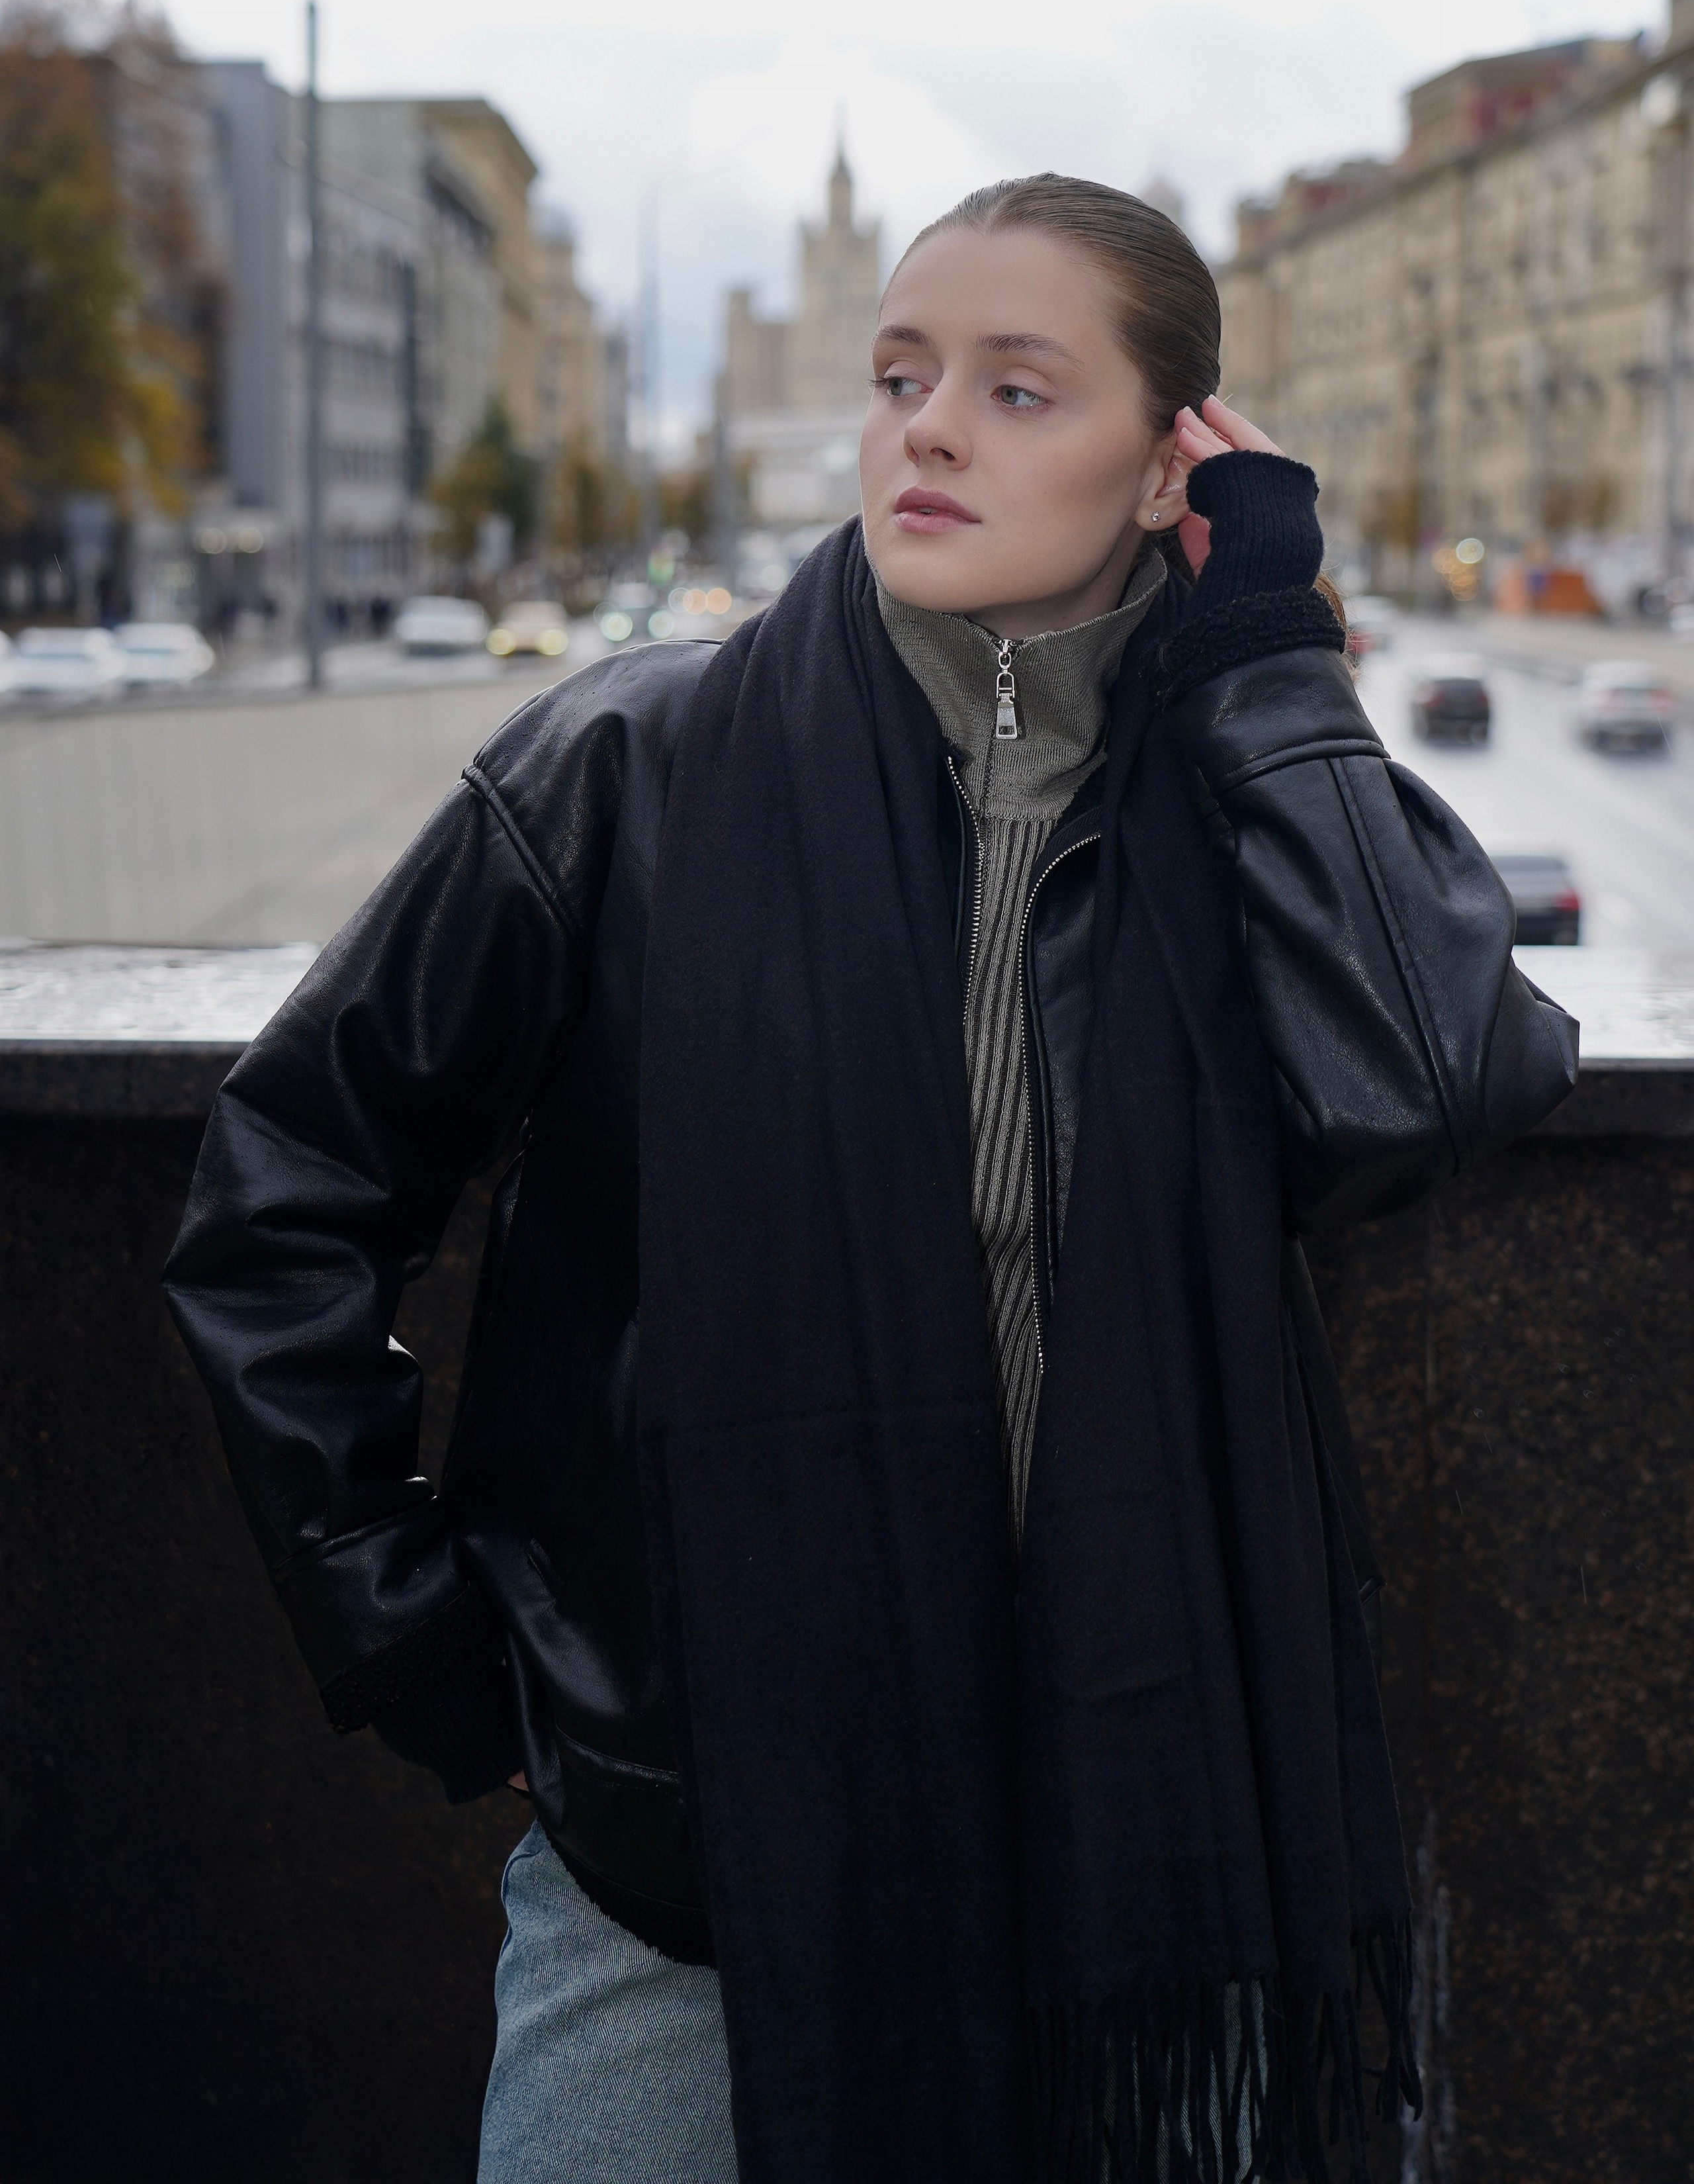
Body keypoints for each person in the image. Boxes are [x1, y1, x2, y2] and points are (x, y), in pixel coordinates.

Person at [165, 175, 1577, 2184]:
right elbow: (281, 1190)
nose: (926, 427)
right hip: (687, 1878)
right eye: (904, 372)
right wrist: (428, 1642)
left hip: (1132, 1900)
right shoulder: (623, 773)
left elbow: (1420, 1083)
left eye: (1020, 388)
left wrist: (1265, 642)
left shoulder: (1240, 786)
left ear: (1171, 458)